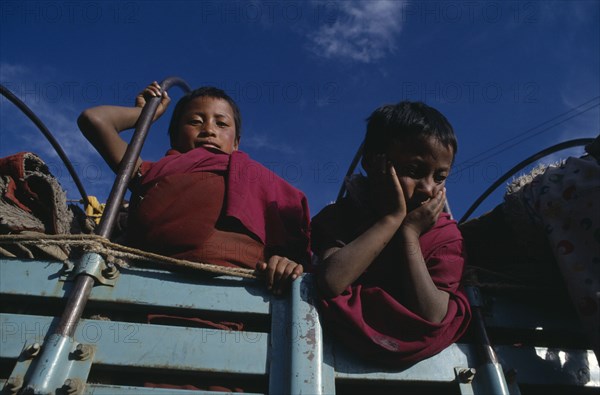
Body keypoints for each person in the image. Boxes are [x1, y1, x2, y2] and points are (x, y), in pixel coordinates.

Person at [78, 82, 310, 295]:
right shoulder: (151, 171)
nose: (209, 130)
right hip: (150, 286)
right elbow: (94, 119)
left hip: (246, 292)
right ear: (174, 138)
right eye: (195, 121)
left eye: (221, 123)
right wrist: (146, 114)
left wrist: (284, 262)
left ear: (236, 142)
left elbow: (294, 249)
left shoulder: (262, 179)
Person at [311, 101, 471, 365]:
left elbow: (433, 315)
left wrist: (408, 233)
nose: (429, 189)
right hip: (336, 363)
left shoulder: (446, 236)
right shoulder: (340, 217)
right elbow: (331, 281)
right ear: (374, 162)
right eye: (413, 171)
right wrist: (391, 219)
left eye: (440, 177)